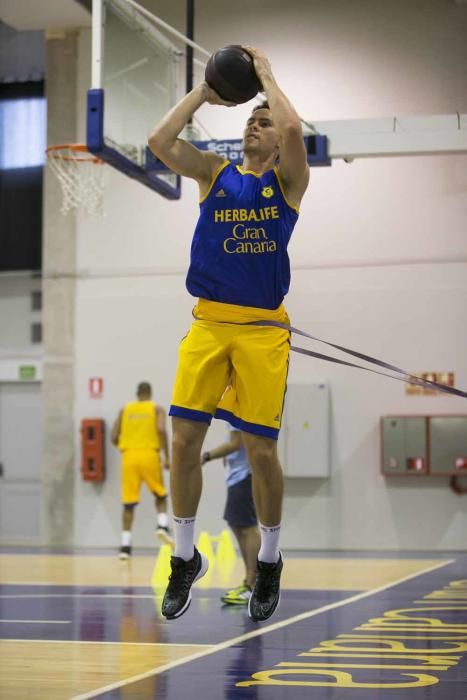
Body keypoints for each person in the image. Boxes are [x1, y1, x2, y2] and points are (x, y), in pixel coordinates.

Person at [148, 46, 309, 621]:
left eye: (261, 122)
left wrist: (266, 73)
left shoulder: (289, 184)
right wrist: (204, 94)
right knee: (184, 438)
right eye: (249, 119)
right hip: (210, 321)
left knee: (261, 451)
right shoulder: (215, 175)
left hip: (263, 332)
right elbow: (159, 143)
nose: (254, 125)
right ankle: (185, 557)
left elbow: (292, 124)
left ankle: (268, 561)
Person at [111, 381, 172, 559]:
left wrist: (125, 446)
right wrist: (167, 456)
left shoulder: (125, 410)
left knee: (128, 503)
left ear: (137, 393)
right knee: (160, 494)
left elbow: (114, 436)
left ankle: (125, 546)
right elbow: (161, 429)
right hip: (149, 454)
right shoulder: (156, 409)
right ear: (150, 393)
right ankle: (162, 525)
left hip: (128, 456)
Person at [202, 423, 260, 605]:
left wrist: (206, 456)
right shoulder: (234, 411)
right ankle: (249, 582)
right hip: (238, 474)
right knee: (238, 526)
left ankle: (253, 585)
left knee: (248, 528)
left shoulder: (238, 409)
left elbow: (235, 443)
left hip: (244, 474)